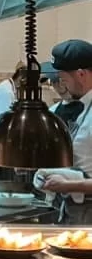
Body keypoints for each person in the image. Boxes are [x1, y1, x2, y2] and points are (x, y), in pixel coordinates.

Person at [38, 40, 92, 223]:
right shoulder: (61, 109)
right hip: (65, 208)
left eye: (62, 79)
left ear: (81, 75)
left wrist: (70, 184)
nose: (58, 85)